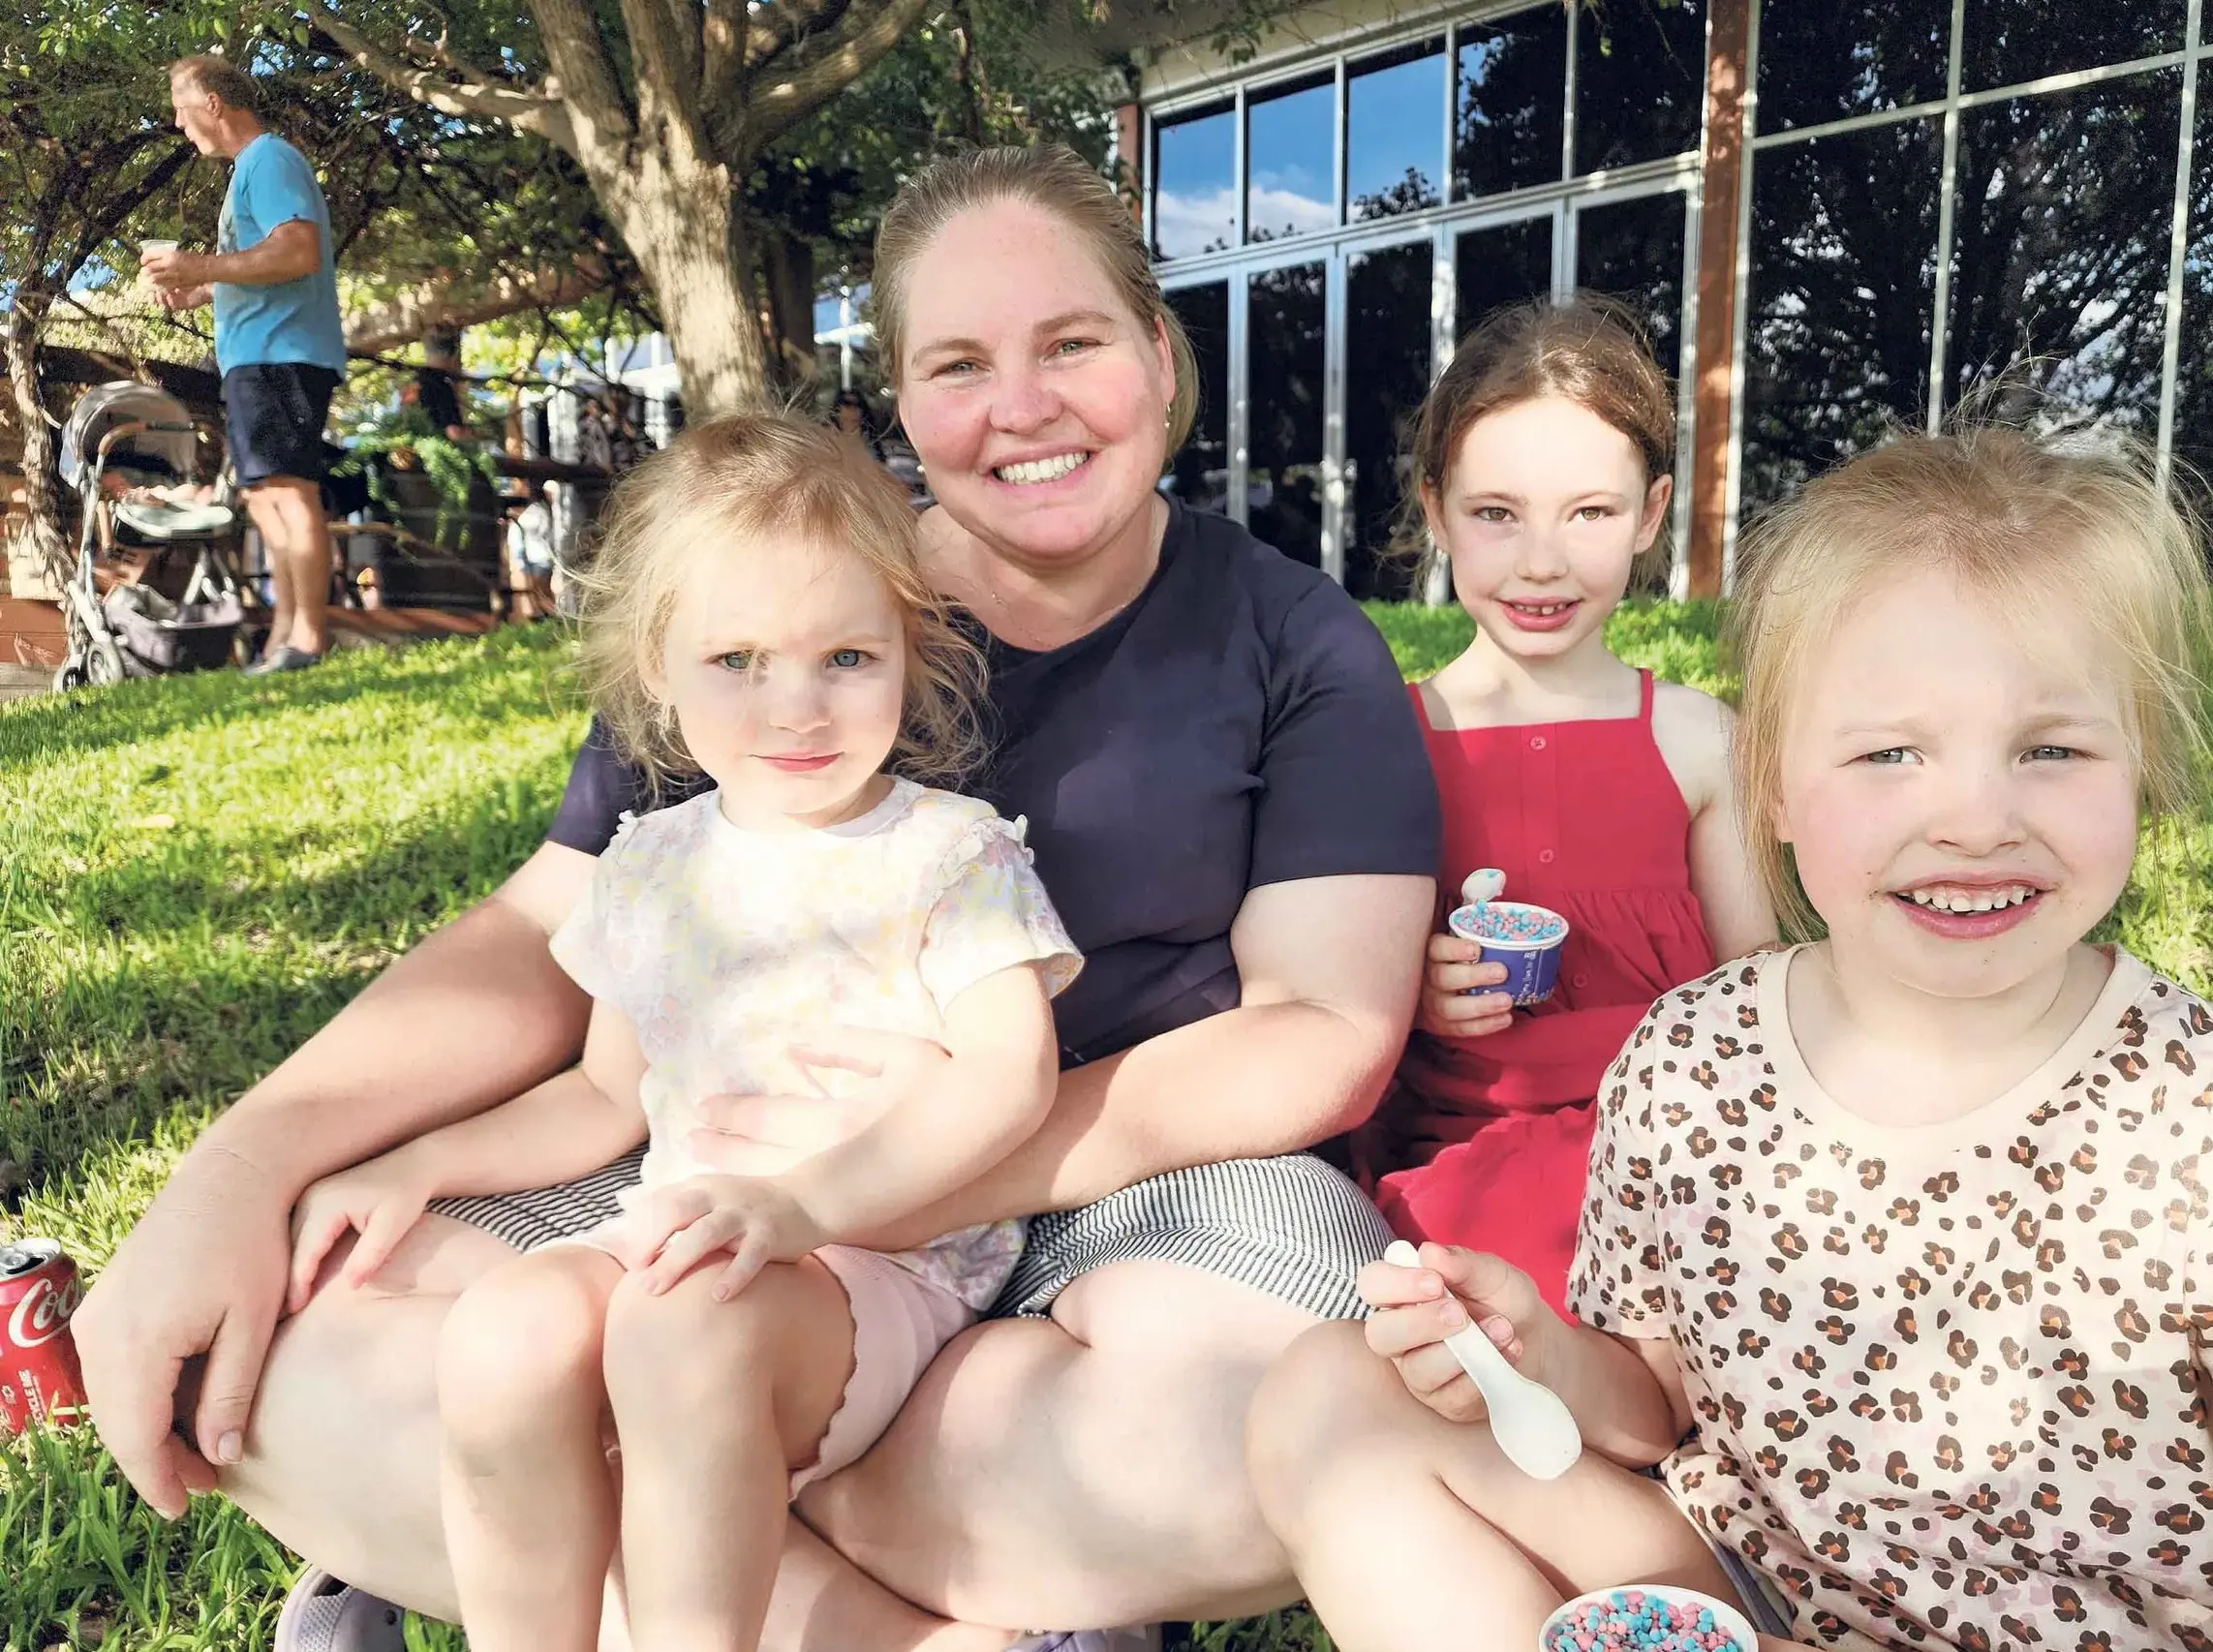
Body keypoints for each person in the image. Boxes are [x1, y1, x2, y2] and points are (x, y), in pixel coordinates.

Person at [73, 142, 1438, 1652]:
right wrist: (244, 1164)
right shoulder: (769, 604)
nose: (1025, 407)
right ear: (902, 398)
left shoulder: (1296, 640)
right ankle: (920, 1599)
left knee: (1277, 1416)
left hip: (1110, 1184)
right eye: (960, 362)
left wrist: (852, 1193)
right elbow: (548, 934)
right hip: (719, 1156)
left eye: (1075, 343)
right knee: (305, 1338)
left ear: (1160, 356)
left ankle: (607, 1524)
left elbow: (1320, 1028)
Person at [1246, 423, 2213, 1652]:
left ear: (2141, 762)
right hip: (1749, 1587)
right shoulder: (1691, 1056)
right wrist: (1542, 1352)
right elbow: (1657, 1397)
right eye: (1889, 753)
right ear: (1770, 778)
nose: (1973, 819)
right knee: (1329, 1392)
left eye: (2049, 749)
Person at [282, 414, 1080, 1652]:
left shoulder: (947, 852)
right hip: (680, 1239)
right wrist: (420, 1158)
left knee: (680, 1327)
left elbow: (1010, 1076)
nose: (796, 705)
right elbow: (604, 1096)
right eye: (738, 659)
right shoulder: (652, 862)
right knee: (505, 1332)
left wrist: (805, 1207)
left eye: (848, 656)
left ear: (909, 651)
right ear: (657, 664)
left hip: (872, 1262)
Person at [1353, 295, 1775, 1313]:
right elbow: (1327, 988)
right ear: (1434, 511)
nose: (1540, 560)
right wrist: (1411, 986)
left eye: (1588, 511)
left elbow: (1762, 997)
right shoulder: (1380, 738)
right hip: (1465, 1159)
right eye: (1495, 513)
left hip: (1677, 1151)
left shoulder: (1697, 736)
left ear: (1649, 512)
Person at [144, 54, 348, 676]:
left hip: (284, 354)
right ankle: (283, 636)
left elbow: (298, 252)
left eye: (181, 108)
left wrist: (201, 266)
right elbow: (259, 265)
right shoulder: (244, 173)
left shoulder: (271, 158)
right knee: (263, 498)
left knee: (289, 492)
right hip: (254, 357)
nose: (178, 124)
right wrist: (200, 289)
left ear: (212, 103)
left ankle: (309, 639)